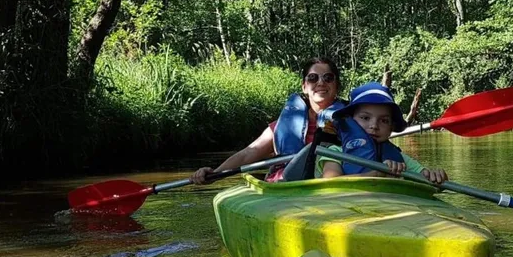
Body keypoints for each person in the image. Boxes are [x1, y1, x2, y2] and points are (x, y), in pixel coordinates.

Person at [191, 58, 343, 184]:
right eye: (313, 78)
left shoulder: (356, 120)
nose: (321, 83)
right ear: (304, 86)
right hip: (286, 186)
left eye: (328, 78)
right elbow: (250, 152)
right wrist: (215, 174)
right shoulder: (285, 125)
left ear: (337, 86)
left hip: (330, 186)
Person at [319, 82, 448, 185]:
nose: (374, 126)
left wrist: (437, 178)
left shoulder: (401, 159)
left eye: (384, 121)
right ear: (350, 120)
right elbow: (330, 183)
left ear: (391, 127)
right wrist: (377, 175)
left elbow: (427, 182)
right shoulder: (334, 152)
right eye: (365, 118)